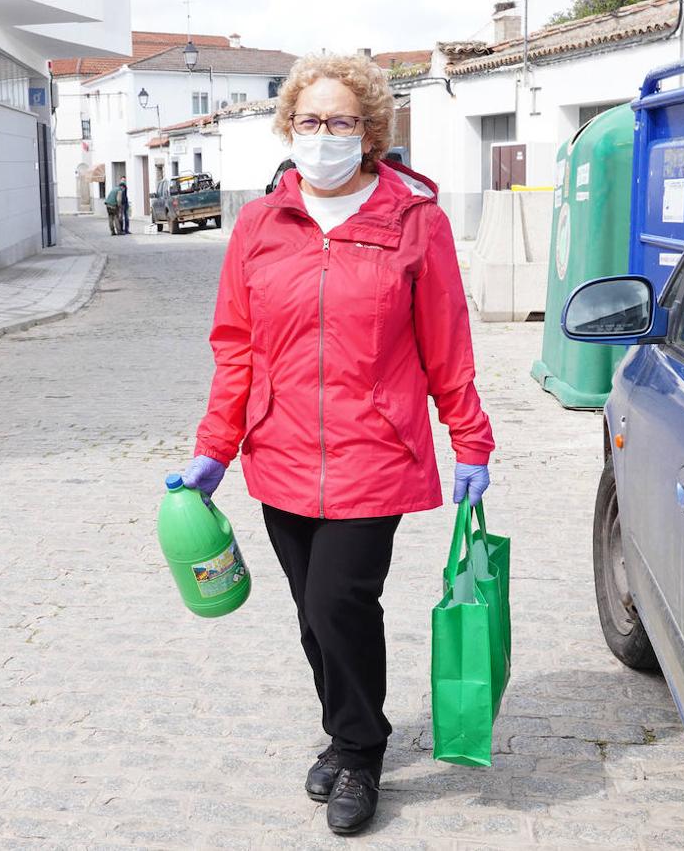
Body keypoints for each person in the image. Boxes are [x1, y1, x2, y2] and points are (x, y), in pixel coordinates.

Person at [174, 53, 494, 836]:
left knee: (339, 600)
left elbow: (446, 343)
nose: (323, 135)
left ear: (370, 130)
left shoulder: (415, 221)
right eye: (310, 120)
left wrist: (471, 441)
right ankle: (345, 727)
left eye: (340, 121)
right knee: (312, 618)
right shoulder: (259, 224)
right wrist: (216, 446)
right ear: (290, 125)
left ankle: (360, 751)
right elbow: (236, 345)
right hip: (279, 451)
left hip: (373, 452)